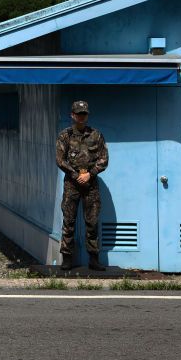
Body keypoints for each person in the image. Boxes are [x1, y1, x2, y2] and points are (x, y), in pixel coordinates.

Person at [55, 100, 108, 271]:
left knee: (92, 222)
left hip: (90, 183)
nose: (81, 117)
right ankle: (67, 258)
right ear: (72, 115)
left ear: (87, 115)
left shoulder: (96, 135)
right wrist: (76, 175)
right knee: (69, 221)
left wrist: (90, 174)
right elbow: (60, 159)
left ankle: (93, 258)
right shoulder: (65, 135)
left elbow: (103, 159)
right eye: (78, 114)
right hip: (72, 183)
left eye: (84, 114)